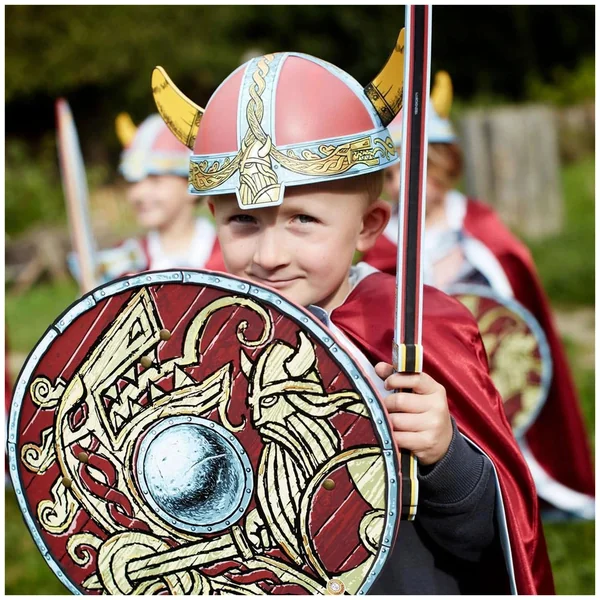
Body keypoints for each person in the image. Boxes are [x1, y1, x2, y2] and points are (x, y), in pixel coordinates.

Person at [154, 45, 554, 594]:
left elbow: (487, 540)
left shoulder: (417, 331)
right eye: (244, 221)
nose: (269, 254)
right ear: (212, 217)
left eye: (302, 219)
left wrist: (444, 456)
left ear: (369, 226)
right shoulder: (188, 341)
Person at [362, 71, 595, 521]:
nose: (400, 185)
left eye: (413, 170)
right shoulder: (383, 241)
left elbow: (514, 311)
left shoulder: (480, 228)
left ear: (442, 165)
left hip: (485, 363)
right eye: (389, 175)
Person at [69, 113, 225, 285]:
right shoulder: (121, 267)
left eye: (155, 180)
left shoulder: (228, 255)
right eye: (133, 182)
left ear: (192, 184)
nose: (138, 194)